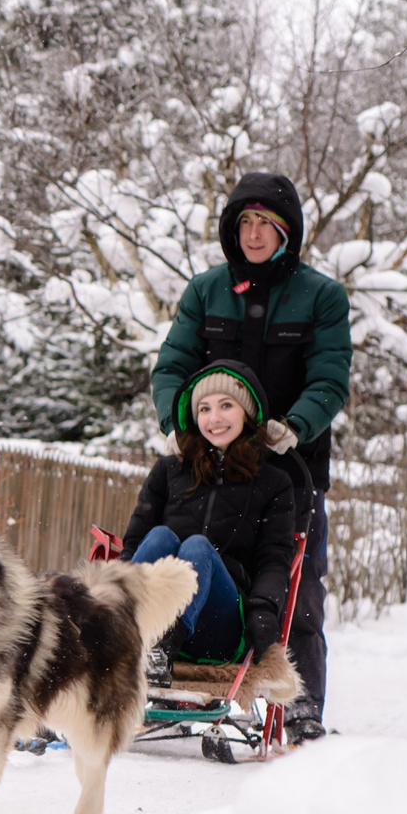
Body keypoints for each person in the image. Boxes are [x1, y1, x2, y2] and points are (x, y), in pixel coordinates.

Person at [150, 171, 349, 742]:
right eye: (245, 222)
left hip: (290, 466)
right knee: (181, 556)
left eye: (266, 222)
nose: (254, 233)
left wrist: (294, 427)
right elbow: (172, 368)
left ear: (287, 230)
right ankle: (157, 667)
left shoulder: (321, 297)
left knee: (297, 581)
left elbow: (330, 379)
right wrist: (175, 420)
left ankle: (301, 701)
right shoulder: (206, 291)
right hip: (208, 467)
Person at [122, 360, 301, 687]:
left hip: (220, 625)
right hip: (148, 620)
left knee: (197, 547)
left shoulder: (273, 484)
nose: (214, 418)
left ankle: (164, 644)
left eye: (226, 405)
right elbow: (134, 543)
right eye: (204, 408)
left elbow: (273, 559)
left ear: (247, 413)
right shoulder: (168, 471)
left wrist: (264, 609)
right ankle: (116, 625)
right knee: (160, 536)